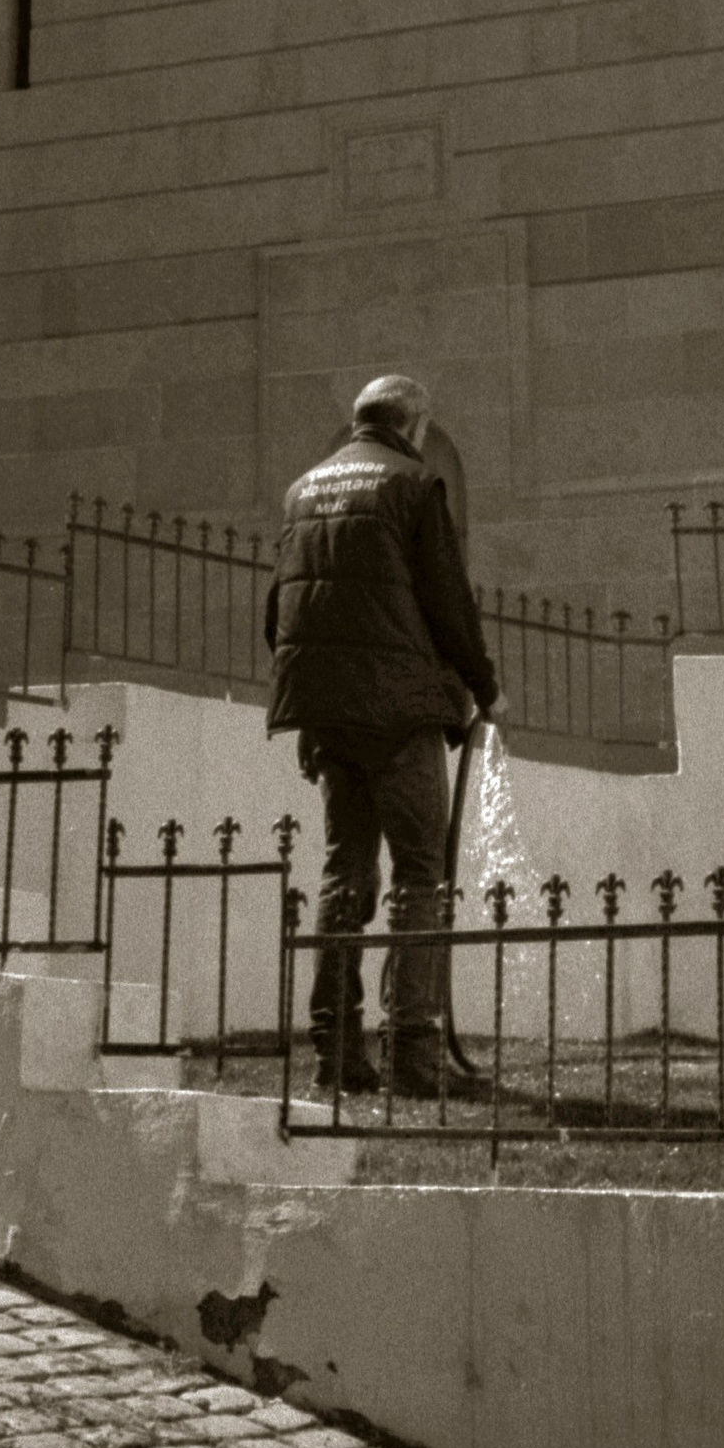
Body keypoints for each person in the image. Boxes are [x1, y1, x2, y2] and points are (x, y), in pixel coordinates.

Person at [264, 371, 500, 1099]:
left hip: (330, 719)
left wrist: (309, 704)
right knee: (418, 876)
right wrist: (483, 685)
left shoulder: (303, 491)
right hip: (398, 712)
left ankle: (335, 1050)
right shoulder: (414, 485)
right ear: (415, 427)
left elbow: (280, 612)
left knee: (344, 876)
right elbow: (446, 600)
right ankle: (412, 1052)